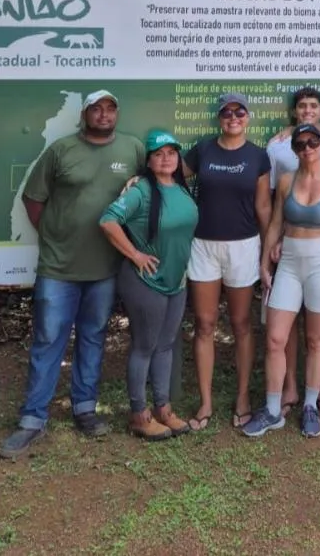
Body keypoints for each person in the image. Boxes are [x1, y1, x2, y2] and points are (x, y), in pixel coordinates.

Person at [0, 90, 145, 459]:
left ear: (117, 114)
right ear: (84, 114)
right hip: (58, 267)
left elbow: (149, 189)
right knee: (48, 339)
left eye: (110, 108)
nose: (104, 115)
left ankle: (85, 409)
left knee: (93, 337)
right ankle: (33, 418)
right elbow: (33, 199)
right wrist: (53, 236)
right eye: (96, 109)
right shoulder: (61, 150)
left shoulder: (133, 149)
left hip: (105, 267)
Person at [243, 123, 320, 438]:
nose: (307, 149)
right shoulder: (286, 181)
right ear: (294, 149)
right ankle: (273, 410)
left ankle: (309, 405)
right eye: (301, 144)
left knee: (316, 340)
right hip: (289, 263)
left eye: (313, 142)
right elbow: (276, 223)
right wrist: (265, 264)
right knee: (275, 339)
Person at [99, 129, 198, 440]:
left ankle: (163, 409)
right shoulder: (141, 190)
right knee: (145, 346)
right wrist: (135, 254)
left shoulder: (181, 189)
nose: (166, 158)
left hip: (176, 281)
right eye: (158, 154)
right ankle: (139, 414)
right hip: (146, 281)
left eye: (171, 152)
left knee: (165, 345)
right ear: (149, 161)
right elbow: (108, 221)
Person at [183, 92, 272, 430]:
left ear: (248, 117)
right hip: (203, 245)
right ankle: (205, 401)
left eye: (239, 112)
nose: (233, 118)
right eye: (227, 112)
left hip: (244, 246)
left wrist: (268, 250)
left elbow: (263, 207)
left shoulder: (258, 156)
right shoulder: (203, 150)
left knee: (241, 323)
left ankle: (243, 396)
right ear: (219, 118)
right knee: (205, 324)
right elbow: (172, 177)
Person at [265, 87, 320, 416]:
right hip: (290, 251)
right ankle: (287, 390)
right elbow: (274, 210)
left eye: (313, 106)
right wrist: (272, 248)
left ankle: (314, 394)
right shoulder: (278, 147)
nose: (307, 148)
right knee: (282, 331)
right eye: (302, 106)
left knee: (317, 334)